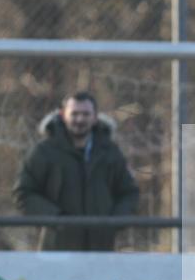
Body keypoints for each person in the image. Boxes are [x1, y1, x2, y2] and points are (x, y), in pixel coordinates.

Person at [13, 91, 139, 251]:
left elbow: (129, 192)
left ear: (95, 117)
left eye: (86, 114)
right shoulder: (44, 152)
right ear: (63, 115)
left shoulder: (110, 152)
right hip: (57, 247)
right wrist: (57, 219)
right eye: (74, 114)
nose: (80, 119)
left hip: (101, 247)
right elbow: (23, 193)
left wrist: (113, 222)